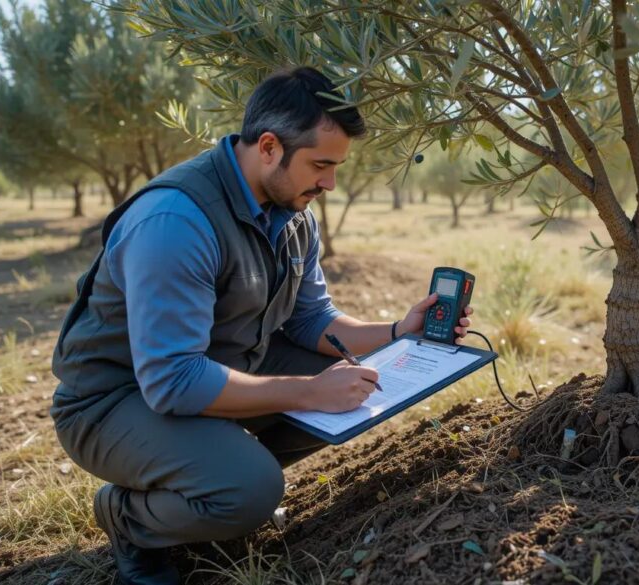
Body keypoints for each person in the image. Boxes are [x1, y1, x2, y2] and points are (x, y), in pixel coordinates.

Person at [49, 66, 472, 585]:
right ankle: (133, 517)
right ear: (269, 147)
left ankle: (207, 481)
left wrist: (396, 332)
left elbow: (313, 320)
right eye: (321, 165)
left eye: (336, 167)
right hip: (114, 400)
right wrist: (309, 392)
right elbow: (172, 380)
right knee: (252, 490)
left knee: (354, 380)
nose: (330, 183)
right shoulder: (176, 222)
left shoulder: (293, 213)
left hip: (209, 372)